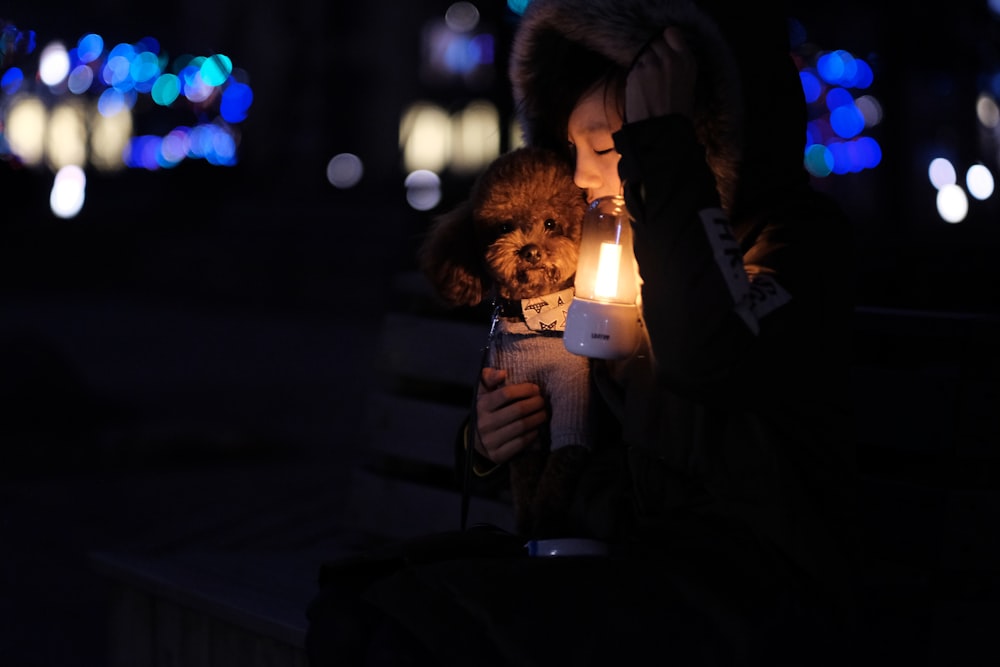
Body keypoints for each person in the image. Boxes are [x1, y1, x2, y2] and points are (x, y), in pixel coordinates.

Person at [306, 0, 858, 664]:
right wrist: (489, 439)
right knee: (359, 607)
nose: (580, 175)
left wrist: (666, 161)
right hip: (614, 564)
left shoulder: (794, 242)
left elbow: (709, 358)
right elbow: (572, 439)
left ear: (695, 136)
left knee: (418, 636)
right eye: (572, 148)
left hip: (744, 592)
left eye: (607, 147)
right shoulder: (607, 254)